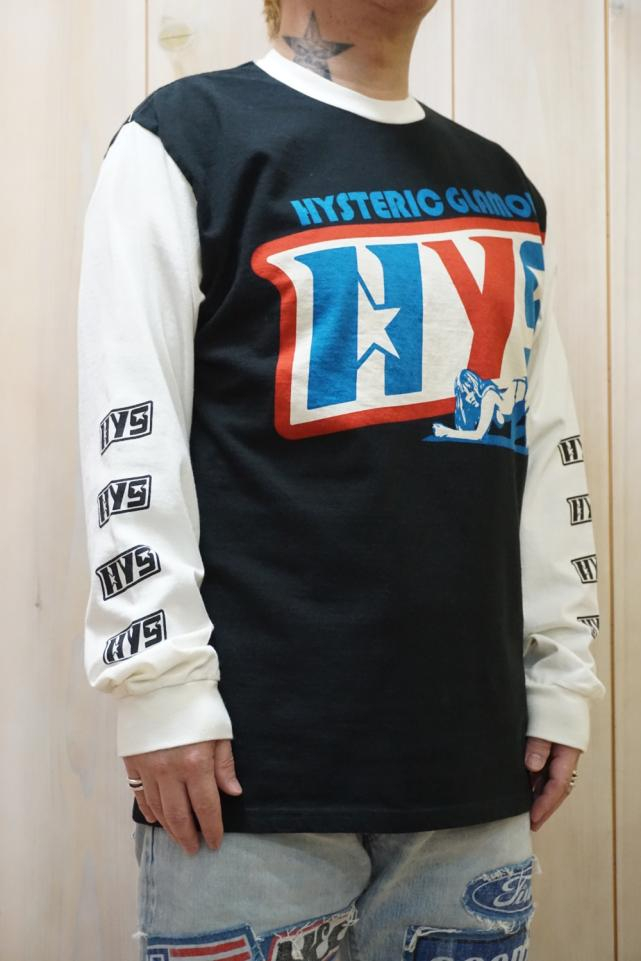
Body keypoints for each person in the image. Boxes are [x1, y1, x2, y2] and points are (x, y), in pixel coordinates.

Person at [76, 1, 606, 958]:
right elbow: (130, 427)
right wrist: (158, 690)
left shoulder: (500, 184)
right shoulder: (187, 138)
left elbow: (544, 438)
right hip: (246, 775)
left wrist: (562, 675)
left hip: (474, 760)